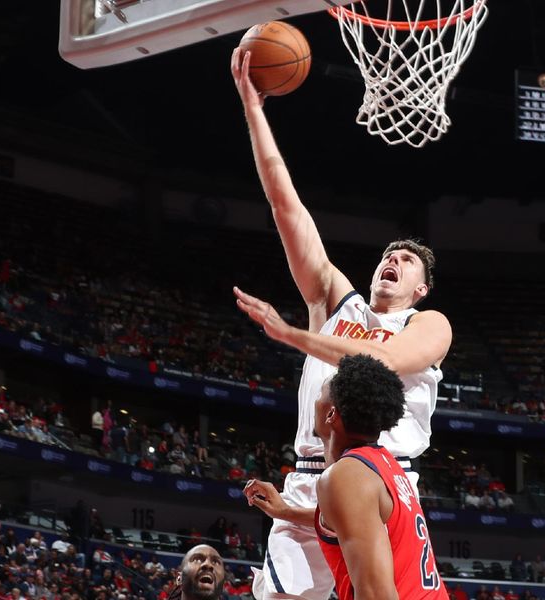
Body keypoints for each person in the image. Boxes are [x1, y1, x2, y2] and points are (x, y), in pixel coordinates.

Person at [231, 47, 452, 600]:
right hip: (312, 471)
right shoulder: (338, 303)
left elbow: (384, 365)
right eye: (388, 254)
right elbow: (286, 206)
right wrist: (254, 108)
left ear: (421, 287)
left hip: (384, 473)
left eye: (407, 262)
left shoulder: (430, 324)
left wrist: (291, 336)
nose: (392, 260)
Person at [243, 354, 448, 600]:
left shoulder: (346, 475)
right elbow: (358, 522)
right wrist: (286, 511)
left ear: (331, 414)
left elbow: (376, 595)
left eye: (319, 395)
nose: (315, 401)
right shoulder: (383, 464)